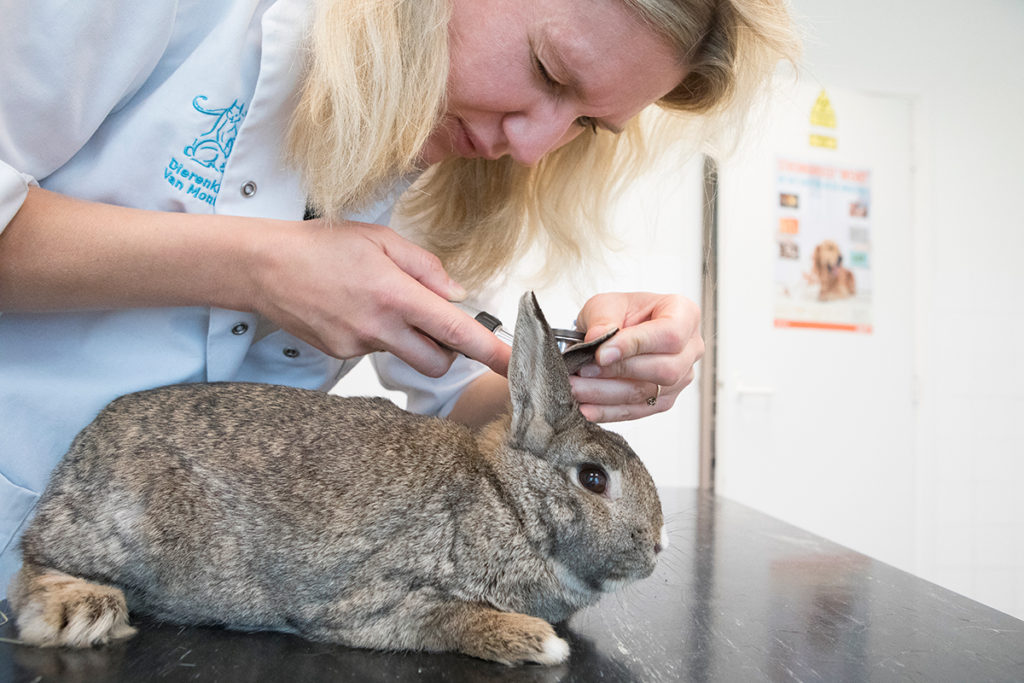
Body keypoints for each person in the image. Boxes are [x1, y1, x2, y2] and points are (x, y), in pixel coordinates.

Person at [0, 0, 798, 594]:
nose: (531, 147)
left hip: (170, 588)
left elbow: (461, 400)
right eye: (549, 72)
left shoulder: (439, 156)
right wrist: (255, 265)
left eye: (585, 123)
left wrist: (573, 385)